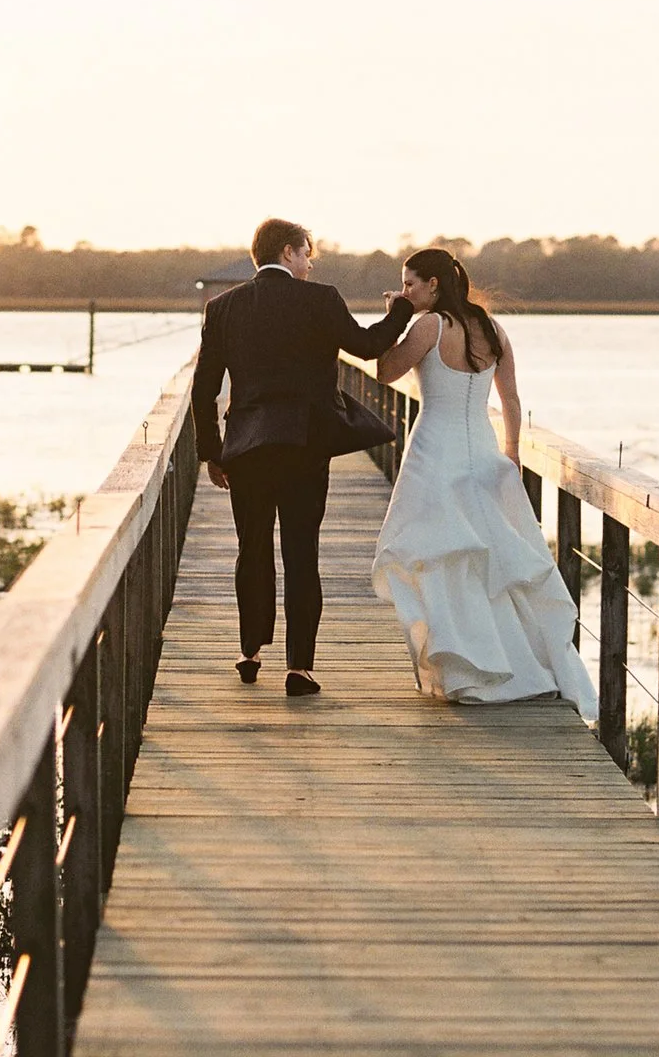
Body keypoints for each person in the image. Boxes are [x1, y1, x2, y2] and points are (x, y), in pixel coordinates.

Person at [368, 246, 598, 715]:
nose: (407, 290)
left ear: (433, 285)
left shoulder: (429, 326)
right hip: (482, 451)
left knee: (442, 558)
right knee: (486, 563)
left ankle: (466, 671)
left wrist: (395, 315)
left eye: (411, 283)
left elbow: (385, 370)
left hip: (435, 450)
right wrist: (511, 451)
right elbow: (510, 398)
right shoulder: (493, 328)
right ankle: (513, 666)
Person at [190, 217, 413, 697]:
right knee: (301, 553)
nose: (311, 262)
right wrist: (403, 310)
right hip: (304, 446)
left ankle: (250, 654)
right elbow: (369, 345)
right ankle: (299, 668)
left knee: (251, 551)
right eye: (307, 252)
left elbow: (204, 388)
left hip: (245, 447)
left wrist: (212, 452)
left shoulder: (222, 307)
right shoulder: (320, 300)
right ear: (289, 252)